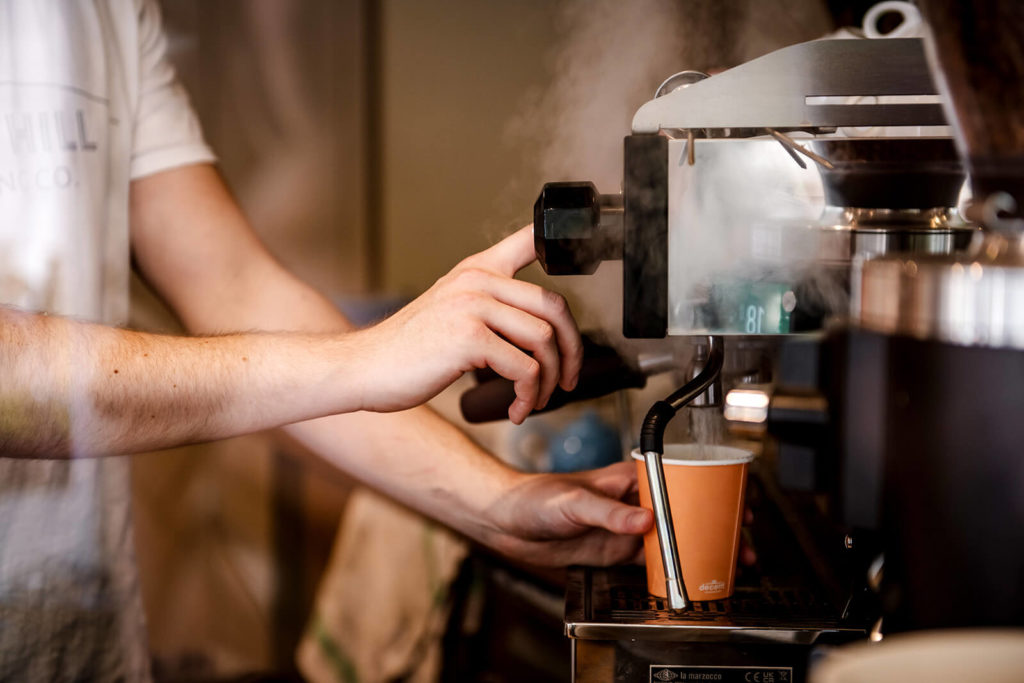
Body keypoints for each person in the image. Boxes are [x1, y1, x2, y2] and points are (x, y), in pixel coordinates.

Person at [0, 1, 651, 680]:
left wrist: (502, 505)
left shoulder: (105, 11)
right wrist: (369, 356)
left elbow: (235, 286)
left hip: (90, 648)